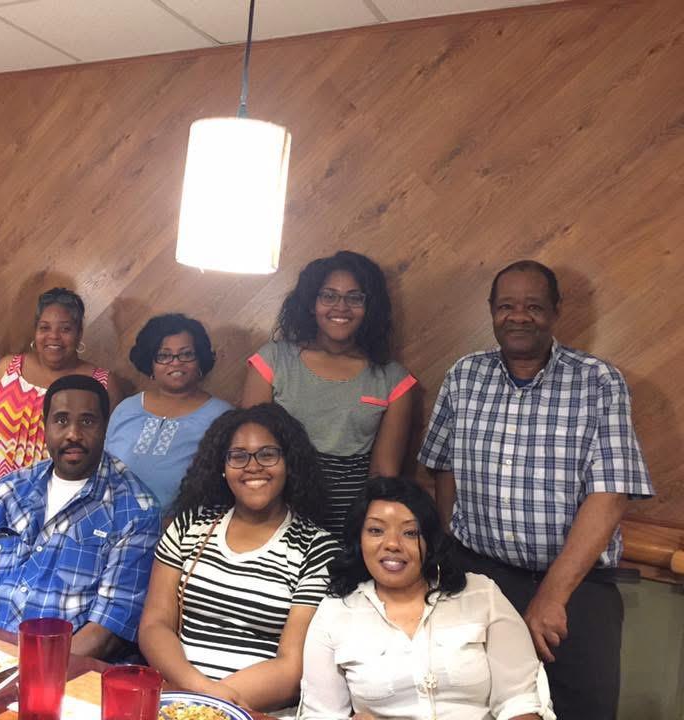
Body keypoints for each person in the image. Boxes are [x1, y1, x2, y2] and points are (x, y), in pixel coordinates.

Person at [418, 260, 654, 719]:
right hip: (478, 575)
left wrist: (552, 595)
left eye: (533, 306)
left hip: (577, 585)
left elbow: (611, 494)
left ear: (555, 312)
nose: (519, 316)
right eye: (506, 306)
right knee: (466, 703)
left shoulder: (598, 381)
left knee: (578, 708)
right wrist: (450, 551)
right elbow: (441, 467)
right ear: (491, 311)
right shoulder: (464, 376)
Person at [139, 403, 340, 712]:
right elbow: (155, 625)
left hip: (255, 711)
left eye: (268, 454)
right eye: (238, 456)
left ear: (289, 463)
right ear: (222, 466)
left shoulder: (317, 549)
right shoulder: (189, 526)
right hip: (176, 700)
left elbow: (290, 669)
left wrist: (209, 704)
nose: (253, 466)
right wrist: (195, 691)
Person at [299, 477, 554, 720]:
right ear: (359, 540)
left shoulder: (481, 594)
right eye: (376, 530)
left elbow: (520, 701)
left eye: (410, 533)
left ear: (430, 541)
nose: (392, 544)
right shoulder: (334, 614)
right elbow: (322, 713)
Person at [0, 374, 160, 660]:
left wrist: (28, 672)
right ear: (45, 427)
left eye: (87, 421)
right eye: (61, 420)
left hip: (68, 670)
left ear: (105, 427)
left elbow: (107, 633)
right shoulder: (4, 494)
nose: (73, 433)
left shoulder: (135, 510)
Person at [241, 250, 417, 535]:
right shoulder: (273, 361)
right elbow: (251, 452)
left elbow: (383, 474)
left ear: (369, 307)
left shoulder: (393, 379)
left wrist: (364, 534)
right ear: (311, 303)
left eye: (355, 298)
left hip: (349, 525)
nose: (341, 307)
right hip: (275, 516)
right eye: (329, 296)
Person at [0, 287, 122, 495]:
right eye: (45, 328)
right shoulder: (8, 370)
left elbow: (113, 451)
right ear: (35, 331)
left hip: (63, 507)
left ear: (79, 333)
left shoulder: (102, 384)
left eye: (65, 329)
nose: (53, 337)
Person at [105, 314, 233, 513]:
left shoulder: (222, 416)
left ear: (200, 360)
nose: (175, 363)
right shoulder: (127, 409)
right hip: (108, 521)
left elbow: (224, 489)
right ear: (151, 363)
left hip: (177, 534)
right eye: (164, 355)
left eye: (186, 354)